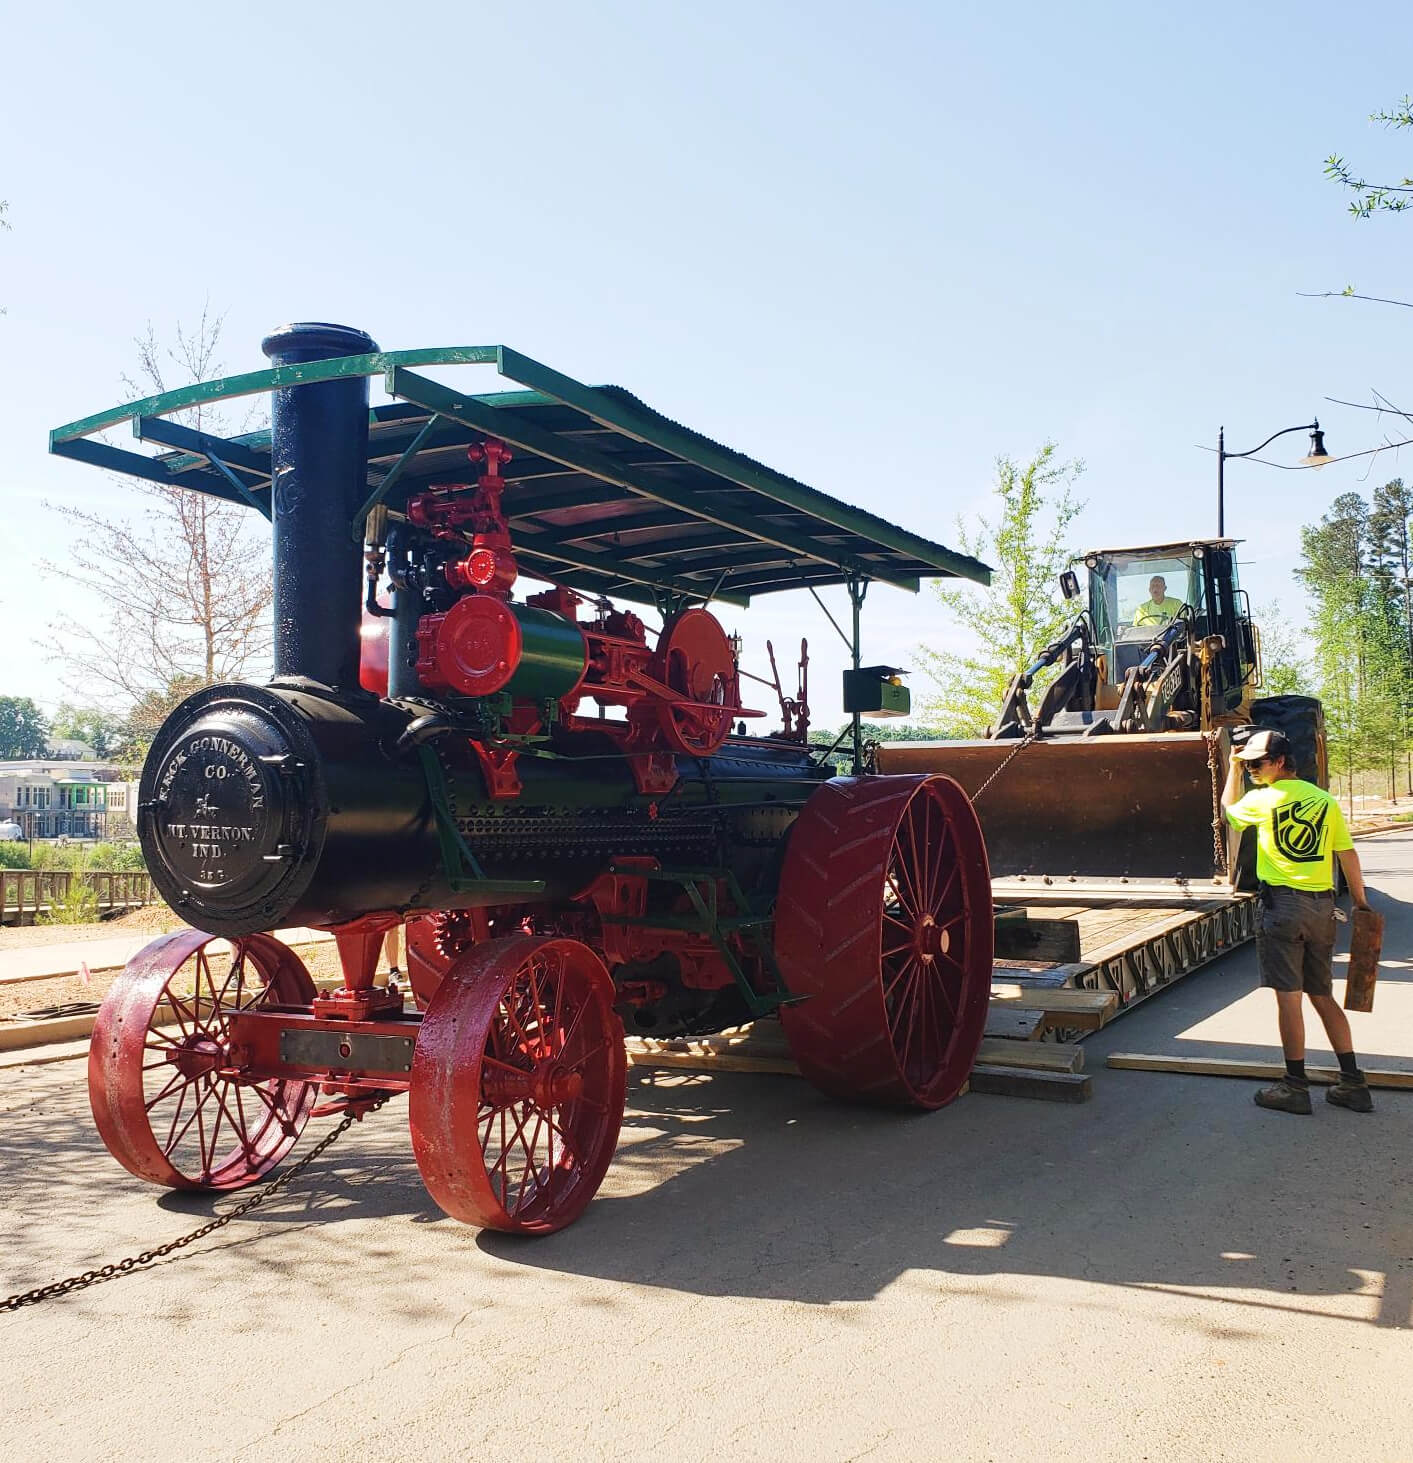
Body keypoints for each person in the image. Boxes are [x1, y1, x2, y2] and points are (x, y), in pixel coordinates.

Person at [1222, 727, 1375, 1114]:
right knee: (1321, 994)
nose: (1253, 769)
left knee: (1289, 1000)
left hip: (1283, 909)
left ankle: (1294, 1086)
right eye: (1248, 764)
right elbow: (1347, 853)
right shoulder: (1325, 801)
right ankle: (1353, 1082)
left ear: (1279, 763)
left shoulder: (1263, 800)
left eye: (1258, 763)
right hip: (1322, 909)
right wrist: (1360, 901)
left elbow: (1229, 813)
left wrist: (1230, 770)